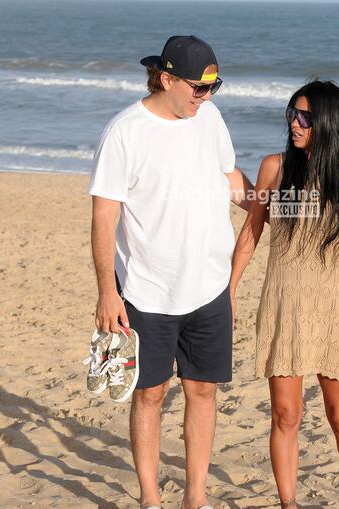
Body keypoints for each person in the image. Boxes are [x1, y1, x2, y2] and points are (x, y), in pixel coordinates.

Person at [88, 35, 253, 509]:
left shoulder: (211, 118)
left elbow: (229, 178)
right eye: (199, 88)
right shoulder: (125, 131)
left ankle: (195, 498)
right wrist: (107, 292)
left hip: (209, 284)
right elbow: (104, 216)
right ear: (165, 79)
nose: (207, 97)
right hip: (145, 289)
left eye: (213, 88)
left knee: (203, 391)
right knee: (151, 395)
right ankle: (150, 498)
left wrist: (270, 205)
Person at [229, 80, 339, 509]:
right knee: (286, 415)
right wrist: (229, 290)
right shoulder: (275, 167)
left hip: (335, 307)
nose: (294, 122)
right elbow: (251, 233)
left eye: (305, 116)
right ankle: (289, 503)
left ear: (326, 122)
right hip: (284, 302)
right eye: (292, 114)